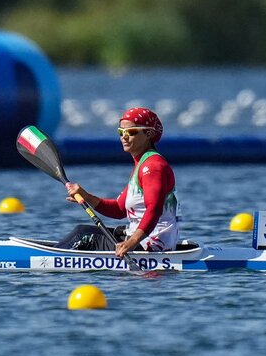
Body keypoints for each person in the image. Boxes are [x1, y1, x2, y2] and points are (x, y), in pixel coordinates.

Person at [64, 107, 180, 257]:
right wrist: (86, 197)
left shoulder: (152, 167)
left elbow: (154, 209)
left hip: (150, 246)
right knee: (83, 231)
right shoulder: (143, 164)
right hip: (142, 241)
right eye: (121, 132)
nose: (124, 137)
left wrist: (131, 243)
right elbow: (119, 210)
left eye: (131, 132)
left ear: (148, 134)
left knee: (82, 234)